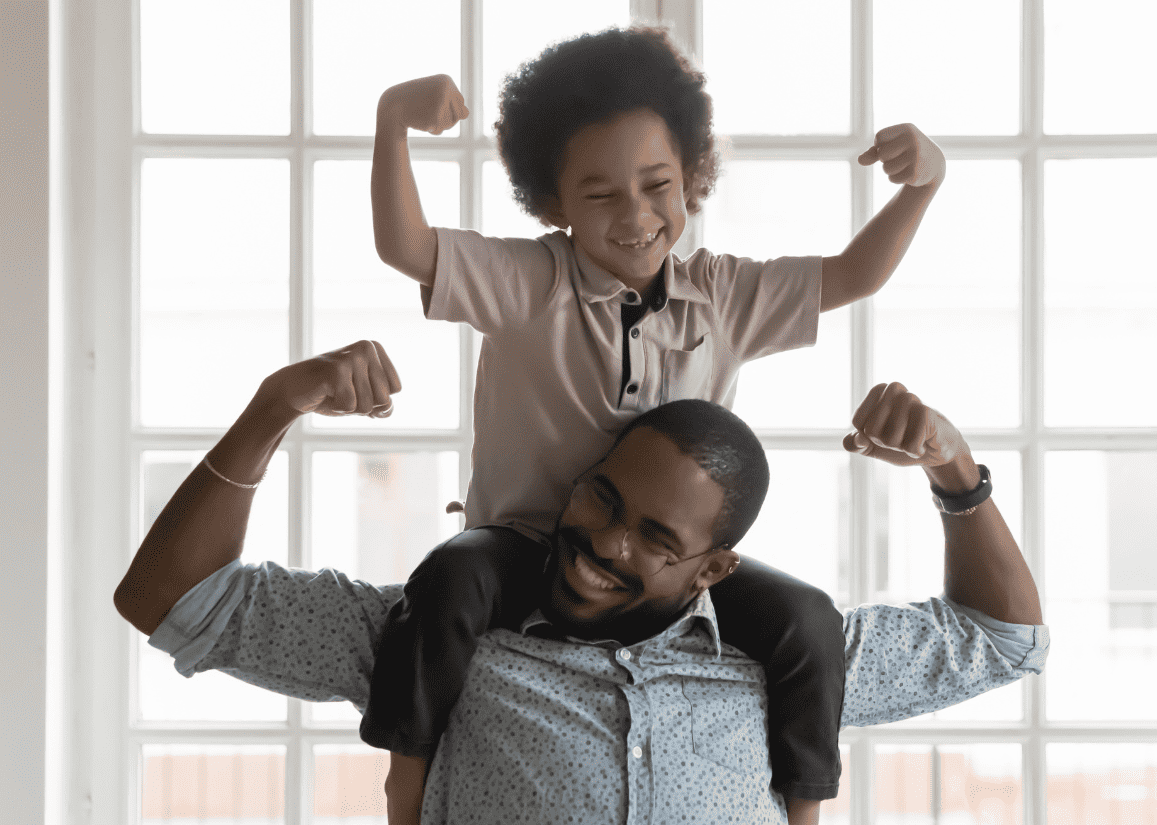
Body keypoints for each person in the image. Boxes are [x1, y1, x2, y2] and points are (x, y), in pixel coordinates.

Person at [365, 25, 948, 812]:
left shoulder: (724, 292)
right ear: (552, 200)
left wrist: (921, 187)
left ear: (692, 178)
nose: (635, 215)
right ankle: (405, 788)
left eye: (657, 184)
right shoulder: (528, 281)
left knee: (806, 619)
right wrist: (391, 121)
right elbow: (406, 246)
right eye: (600, 194)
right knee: (446, 579)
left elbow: (853, 274)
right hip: (529, 553)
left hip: (667, 574)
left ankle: (803, 810)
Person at [113, 342, 1047, 825]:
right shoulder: (439, 631)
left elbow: (1003, 638)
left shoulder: (788, 656)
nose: (600, 540)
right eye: (600, 499)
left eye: (652, 535)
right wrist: (277, 406)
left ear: (712, 567)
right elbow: (168, 596)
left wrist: (954, 471)